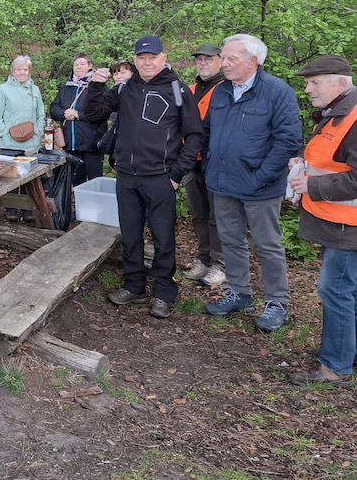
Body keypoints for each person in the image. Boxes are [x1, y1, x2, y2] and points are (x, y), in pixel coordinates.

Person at [81, 36, 203, 320]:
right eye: (141, 57)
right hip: (126, 175)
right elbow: (93, 112)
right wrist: (96, 86)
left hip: (161, 177)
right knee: (130, 234)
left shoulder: (178, 90)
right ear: (134, 60)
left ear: (163, 58)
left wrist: (176, 174)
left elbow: (195, 136)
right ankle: (134, 286)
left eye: (152, 57)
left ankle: (163, 292)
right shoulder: (125, 88)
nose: (147, 62)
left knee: (163, 238)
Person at [202, 34, 303, 331]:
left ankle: (277, 303)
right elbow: (207, 132)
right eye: (223, 57)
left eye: (231, 58)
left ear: (253, 61)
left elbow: (289, 140)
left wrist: (261, 177)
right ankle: (239, 293)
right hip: (223, 182)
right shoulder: (221, 91)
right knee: (231, 240)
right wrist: (209, 165)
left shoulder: (276, 91)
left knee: (267, 244)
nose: (224, 63)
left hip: (261, 187)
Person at [287, 56, 357, 387]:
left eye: (315, 82)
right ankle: (346, 352)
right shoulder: (337, 112)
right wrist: (303, 163)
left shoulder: (353, 117)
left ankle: (335, 366)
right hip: (339, 221)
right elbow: (332, 160)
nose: (308, 89)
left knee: (336, 290)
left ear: (340, 83)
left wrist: (312, 185)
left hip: (348, 225)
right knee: (346, 290)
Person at [182, 44, 227, 287]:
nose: (203, 63)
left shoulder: (227, 88)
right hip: (192, 161)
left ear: (220, 61)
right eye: (199, 59)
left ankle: (220, 264)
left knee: (217, 215)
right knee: (199, 213)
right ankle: (204, 258)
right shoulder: (191, 89)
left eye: (208, 59)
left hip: (216, 162)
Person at [50, 52, 107, 187]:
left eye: (82, 64)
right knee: (75, 183)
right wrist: (64, 113)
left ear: (90, 66)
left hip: (92, 144)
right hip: (71, 145)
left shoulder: (98, 87)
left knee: (95, 183)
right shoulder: (66, 87)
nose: (79, 67)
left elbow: (103, 113)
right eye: (76, 64)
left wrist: (78, 114)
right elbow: (53, 108)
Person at [0, 55, 45, 154]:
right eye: (19, 69)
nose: (22, 72)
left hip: (32, 145)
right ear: (13, 71)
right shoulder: (3, 89)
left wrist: (38, 132)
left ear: (29, 71)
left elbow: (41, 115)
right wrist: (4, 134)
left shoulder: (35, 90)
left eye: (25, 69)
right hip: (9, 145)